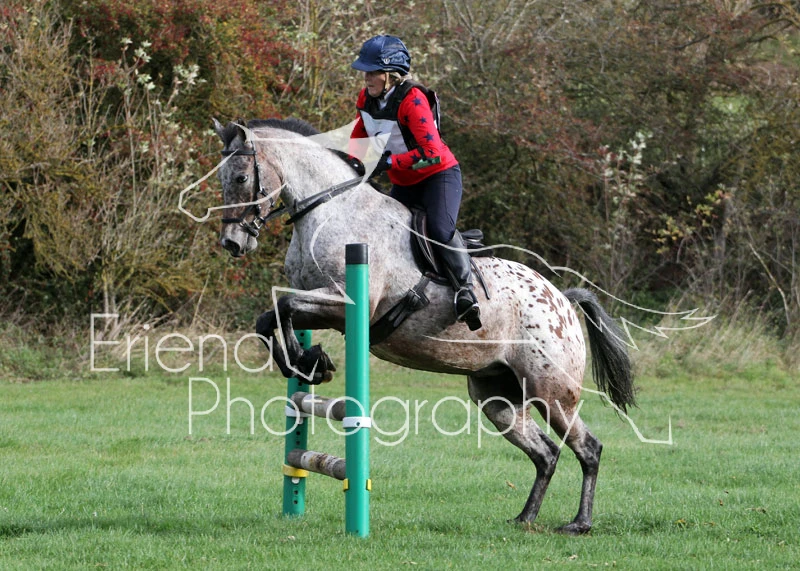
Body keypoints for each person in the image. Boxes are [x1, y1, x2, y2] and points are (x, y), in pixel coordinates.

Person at [349, 35, 482, 331]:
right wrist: (352, 162)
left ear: (391, 74)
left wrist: (388, 163)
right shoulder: (365, 99)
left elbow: (433, 153)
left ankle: (465, 291)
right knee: (383, 228)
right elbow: (360, 137)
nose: (366, 77)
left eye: (373, 72)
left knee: (439, 229)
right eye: (365, 71)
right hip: (405, 181)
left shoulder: (413, 100)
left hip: (439, 176)